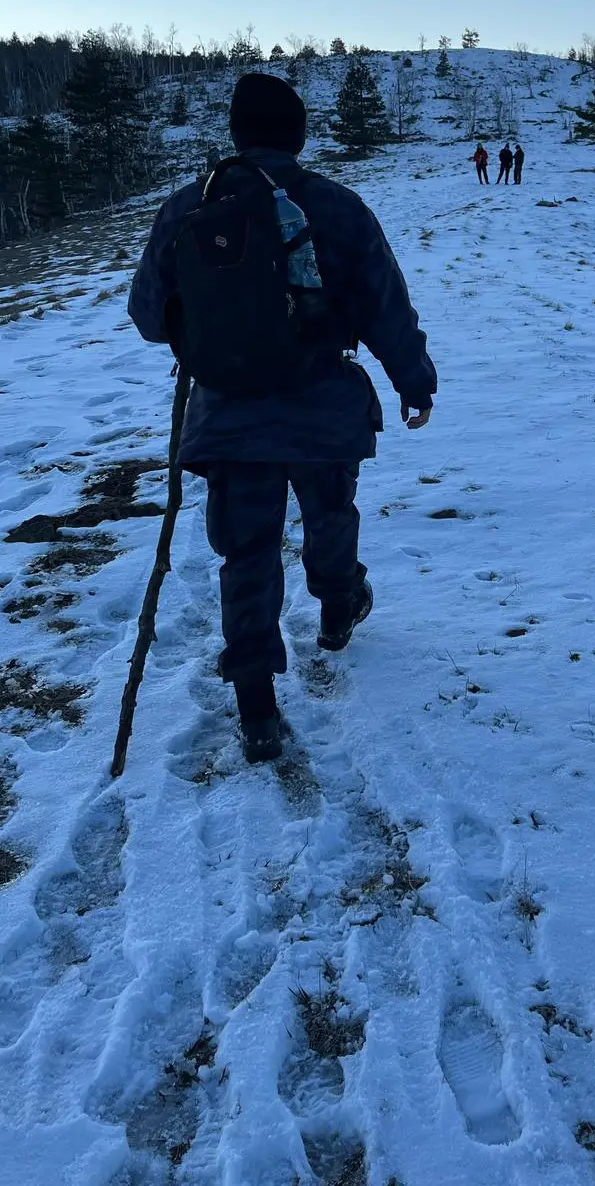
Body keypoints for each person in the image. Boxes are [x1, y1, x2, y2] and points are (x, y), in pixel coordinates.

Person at [128, 73, 437, 764]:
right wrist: (414, 381)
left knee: (247, 552)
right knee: (329, 516)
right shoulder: (337, 206)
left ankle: (256, 707)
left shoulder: (190, 208)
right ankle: (337, 607)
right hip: (323, 404)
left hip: (229, 414)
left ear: (236, 132)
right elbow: (385, 305)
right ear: (299, 135)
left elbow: (148, 316)